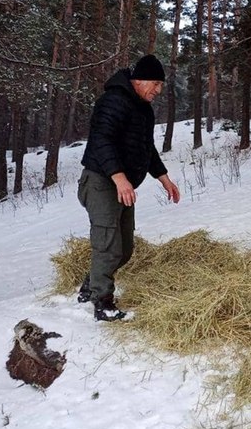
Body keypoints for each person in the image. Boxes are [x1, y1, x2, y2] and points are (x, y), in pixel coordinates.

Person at [77, 54, 180, 321]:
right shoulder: (113, 100)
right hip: (102, 182)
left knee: (125, 249)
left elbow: (145, 147)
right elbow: (101, 140)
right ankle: (102, 302)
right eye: (155, 84)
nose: (157, 90)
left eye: (160, 85)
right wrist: (119, 177)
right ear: (139, 79)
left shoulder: (141, 107)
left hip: (122, 186)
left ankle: (92, 283)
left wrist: (164, 178)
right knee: (108, 245)